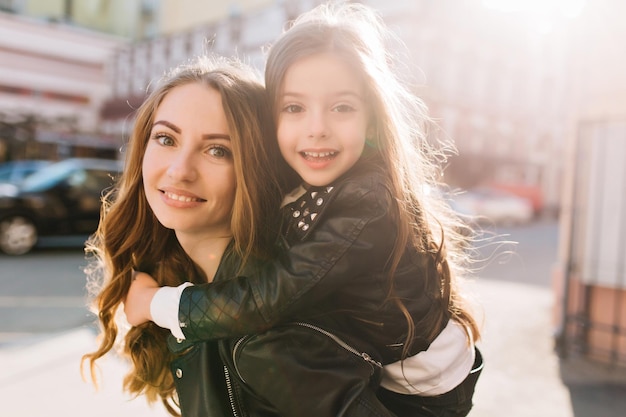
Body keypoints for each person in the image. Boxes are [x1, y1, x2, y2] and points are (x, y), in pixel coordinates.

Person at [126, 2, 484, 416]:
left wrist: (158, 304)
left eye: (342, 107)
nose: (317, 128)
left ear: (372, 121)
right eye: (294, 107)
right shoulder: (311, 181)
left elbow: (268, 300)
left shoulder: (367, 202)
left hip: (421, 394)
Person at [80, 55, 313, 416]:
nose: (179, 170)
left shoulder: (264, 314)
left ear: (256, 168)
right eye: (166, 138)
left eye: (217, 150)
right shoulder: (178, 274)